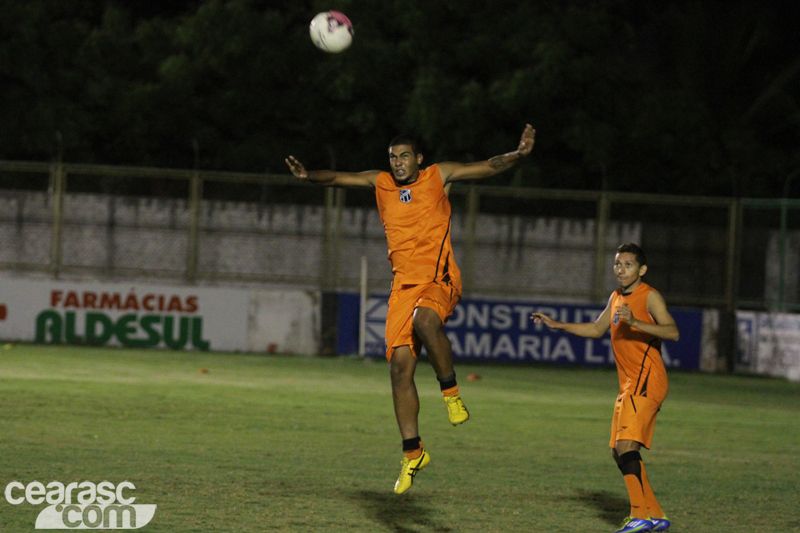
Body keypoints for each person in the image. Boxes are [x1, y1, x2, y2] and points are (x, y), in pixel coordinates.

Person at [285, 124, 536, 494]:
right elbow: (338, 178)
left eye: (404, 156)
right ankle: (413, 452)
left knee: (425, 321)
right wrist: (308, 176)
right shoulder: (381, 182)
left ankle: (450, 393)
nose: (398, 162)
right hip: (402, 287)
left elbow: (487, 166)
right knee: (399, 369)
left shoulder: (439, 176)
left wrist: (517, 155)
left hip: (440, 278)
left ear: (418, 159)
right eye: (393, 157)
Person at [531, 243, 678, 533]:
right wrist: (557, 325)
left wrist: (636, 322)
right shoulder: (615, 297)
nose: (621, 270)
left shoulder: (649, 297)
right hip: (629, 384)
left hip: (647, 380)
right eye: (617, 264)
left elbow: (672, 331)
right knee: (617, 450)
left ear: (642, 269)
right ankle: (654, 514)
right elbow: (596, 329)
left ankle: (640, 516)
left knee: (626, 447)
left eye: (628, 265)